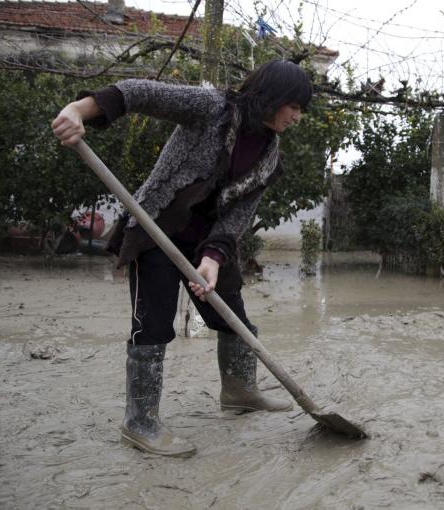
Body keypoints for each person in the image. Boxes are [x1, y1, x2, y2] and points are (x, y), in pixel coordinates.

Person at [51, 60, 311, 458]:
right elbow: (139, 93)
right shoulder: (212, 108)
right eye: (294, 105)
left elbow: (238, 214)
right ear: (273, 97)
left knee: (233, 319)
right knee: (153, 326)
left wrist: (212, 258)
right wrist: (78, 110)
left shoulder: (270, 156)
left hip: (207, 241)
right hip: (155, 228)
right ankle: (140, 422)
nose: (297, 116)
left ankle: (240, 392)